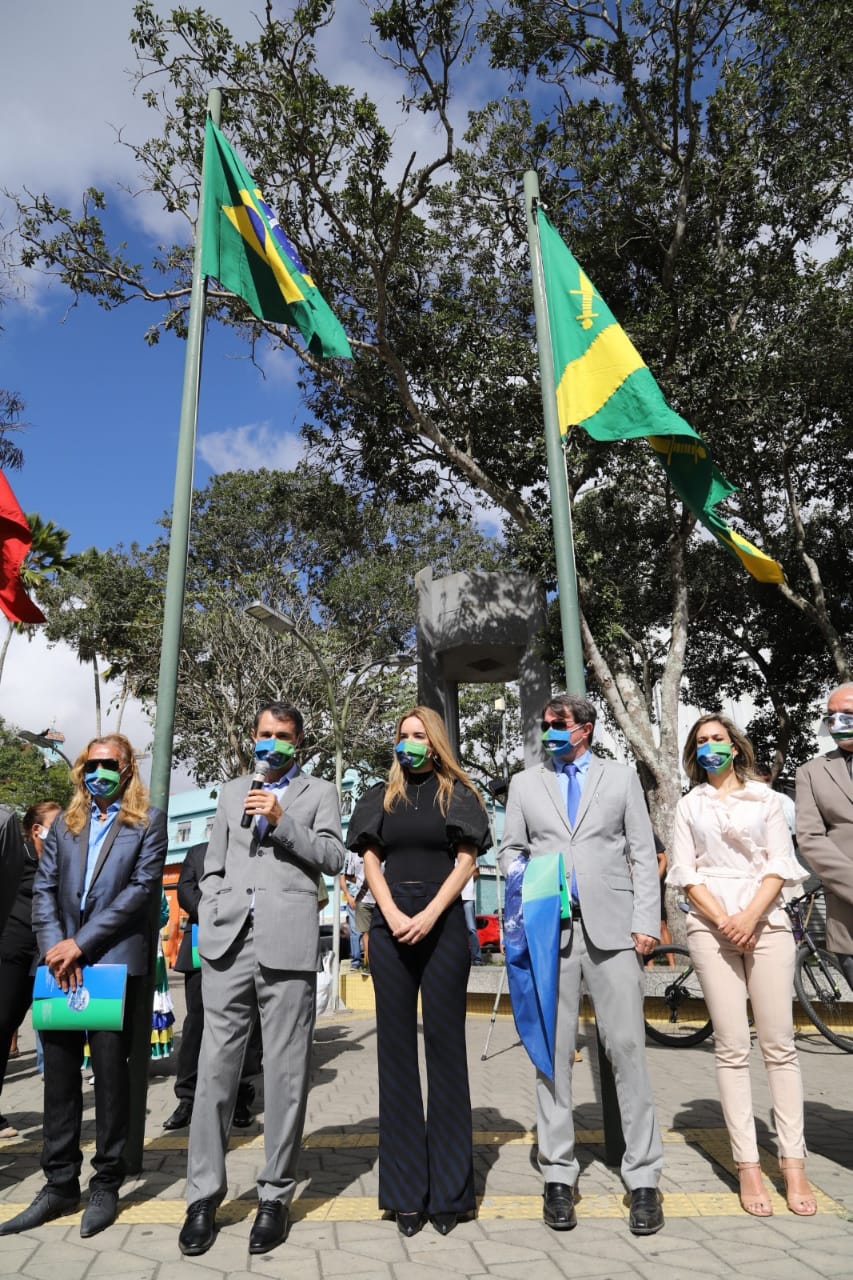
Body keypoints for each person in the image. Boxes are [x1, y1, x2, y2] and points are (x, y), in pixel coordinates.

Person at [179, 702, 345, 1258]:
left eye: (282, 737)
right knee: (214, 1070)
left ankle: (274, 1195)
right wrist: (212, 909)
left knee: (287, 1071)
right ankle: (202, 1196)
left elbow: (333, 856)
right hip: (227, 940)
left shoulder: (319, 793)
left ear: (299, 742)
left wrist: (281, 820)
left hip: (289, 941)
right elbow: (214, 865)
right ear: (253, 738)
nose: (271, 744)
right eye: (264, 735)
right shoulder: (229, 792)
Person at [497, 693, 664, 1236]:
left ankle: (643, 1178)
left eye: (558, 725)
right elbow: (510, 852)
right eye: (545, 726)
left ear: (584, 729)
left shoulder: (619, 779)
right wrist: (535, 883)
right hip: (552, 932)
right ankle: (559, 1175)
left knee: (626, 1050)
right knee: (552, 1051)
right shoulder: (525, 784)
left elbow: (642, 851)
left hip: (615, 930)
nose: (549, 733)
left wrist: (646, 921)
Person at [0, 735, 167, 1239]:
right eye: (91, 764)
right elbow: (44, 889)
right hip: (58, 968)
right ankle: (58, 1184)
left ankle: (107, 1182)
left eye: (108, 765)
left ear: (127, 768)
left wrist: (81, 944)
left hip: (111, 966)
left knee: (112, 1080)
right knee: (59, 1081)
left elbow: (140, 892)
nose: (99, 773)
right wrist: (55, 945)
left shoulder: (148, 821)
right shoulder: (64, 827)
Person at [347, 706, 490, 1237]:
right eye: (402, 735)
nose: (410, 743)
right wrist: (392, 915)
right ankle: (406, 1193)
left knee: (447, 1052)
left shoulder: (459, 793)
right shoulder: (381, 795)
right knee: (397, 1056)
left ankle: (451, 1192)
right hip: (390, 928)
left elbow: (467, 862)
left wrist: (429, 915)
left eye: (419, 735)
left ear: (436, 741)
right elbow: (368, 861)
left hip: (443, 923)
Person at [669, 713, 816, 1217]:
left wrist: (750, 916)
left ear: (736, 746)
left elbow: (780, 863)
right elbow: (686, 873)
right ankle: (748, 1165)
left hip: (768, 922)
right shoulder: (688, 806)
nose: (710, 747)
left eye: (718, 739)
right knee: (731, 1047)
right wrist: (725, 920)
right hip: (711, 928)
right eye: (702, 741)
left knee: (780, 1046)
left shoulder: (772, 800)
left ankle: (793, 1163)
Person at [163, 842, 261, 1132]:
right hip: (202, 942)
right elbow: (185, 889)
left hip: (246, 943)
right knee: (197, 1022)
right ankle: (188, 1097)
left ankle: (241, 1094)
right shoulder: (197, 852)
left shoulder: (253, 848)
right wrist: (213, 914)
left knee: (247, 1022)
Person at [0, 801, 61, 1137]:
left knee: (37, 1027)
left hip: (42, 956)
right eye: (57, 823)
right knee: (2, 1025)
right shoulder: (16, 854)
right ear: (37, 829)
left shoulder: (57, 862)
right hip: (10, 952)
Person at [796, 684, 853, 991]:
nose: (838, 722)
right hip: (848, 911)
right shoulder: (811, 772)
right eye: (832, 716)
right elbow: (810, 838)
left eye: (848, 714)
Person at [460, 866, 484, 964]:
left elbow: (477, 873)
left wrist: (467, 883)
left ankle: (477, 958)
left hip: (467, 897)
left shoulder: (468, 852)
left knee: (471, 929)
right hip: (451, 897)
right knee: (455, 929)